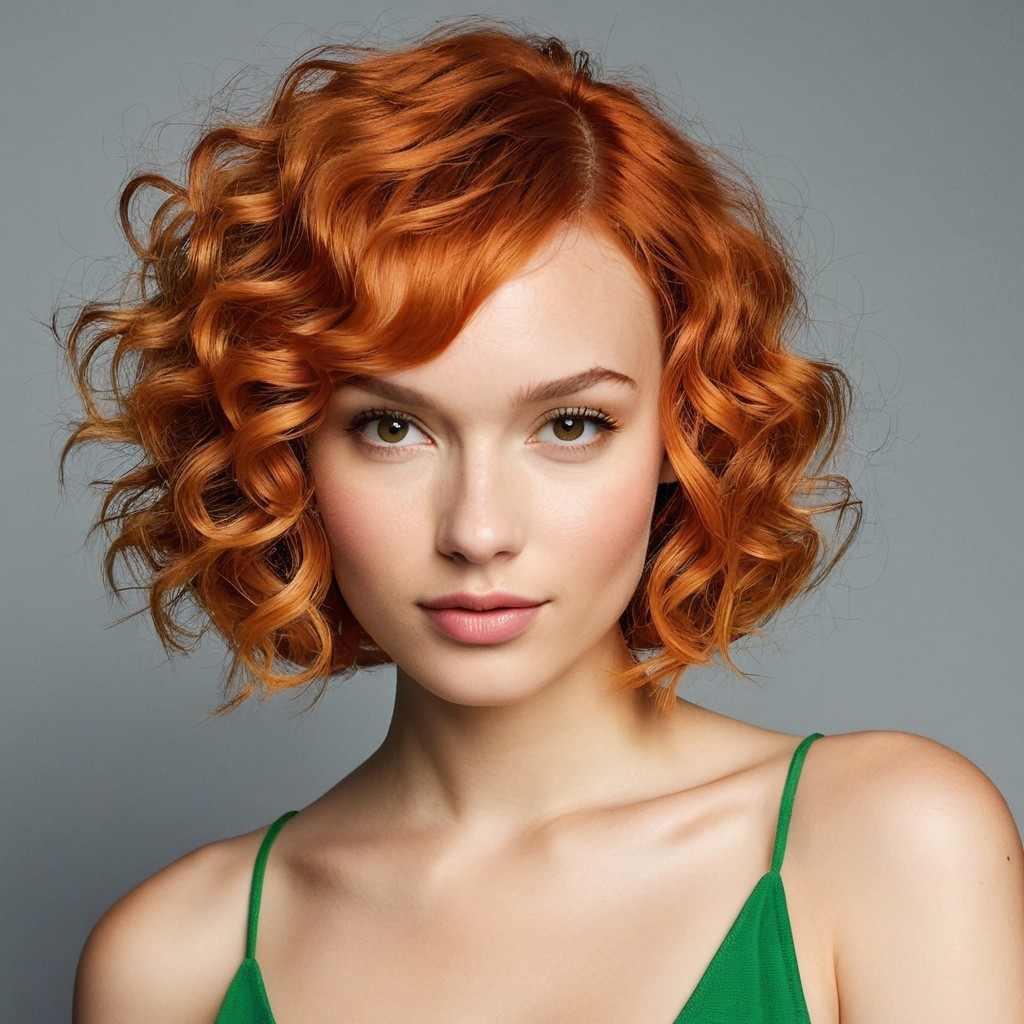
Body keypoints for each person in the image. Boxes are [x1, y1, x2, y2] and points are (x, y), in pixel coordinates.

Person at [65, 22, 1023, 1024]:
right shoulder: (175, 963)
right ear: (284, 452)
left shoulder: (886, 842)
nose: (477, 530)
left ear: (681, 434)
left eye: (569, 424)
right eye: (391, 427)